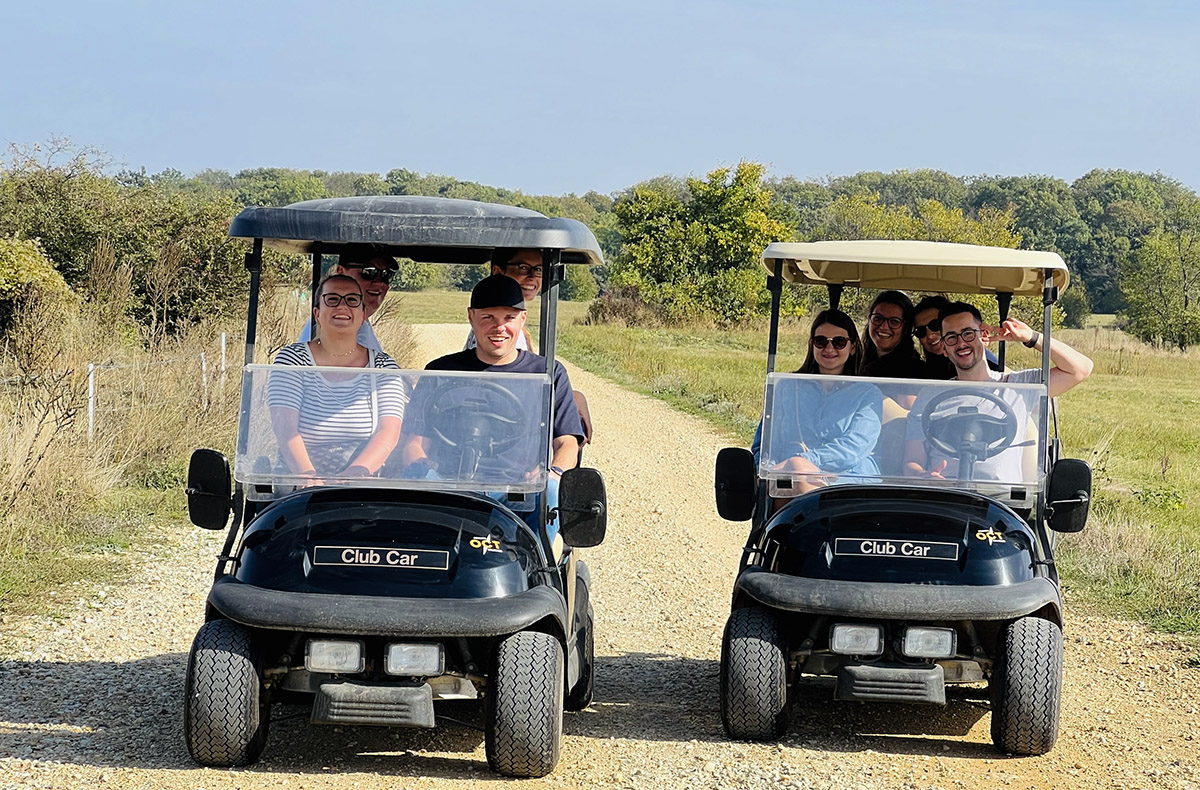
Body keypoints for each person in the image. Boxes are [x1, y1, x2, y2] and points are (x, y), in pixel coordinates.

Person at [402, 274, 585, 540]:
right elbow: (413, 441)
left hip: (520, 492)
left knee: (553, 492)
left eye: (508, 318)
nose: (499, 328)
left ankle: (539, 573)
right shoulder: (441, 371)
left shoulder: (547, 372)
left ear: (522, 320)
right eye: (488, 318)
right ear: (471, 317)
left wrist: (552, 473)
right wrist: (424, 470)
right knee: (413, 481)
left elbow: (567, 442)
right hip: (450, 487)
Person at [904, 301, 1093, 481]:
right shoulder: (930, 396)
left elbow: (1080, 369)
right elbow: (912, 460)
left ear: (984, 336)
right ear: (944, 348)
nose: (961, 343)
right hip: (948, 498)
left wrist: (1031, 338)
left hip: (1003, 502)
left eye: (968, 333)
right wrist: (924, 477)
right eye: (951, 337)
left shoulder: (1019, 386)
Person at [269, 274, 407, 482]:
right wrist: (308, 477)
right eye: (332, 299)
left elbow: (388, 432)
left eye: (352, 300)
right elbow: (285, 428)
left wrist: (355, 474)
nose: (342, 306)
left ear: (363, 314)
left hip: (361, 481)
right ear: (317, 312)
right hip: (299, 479)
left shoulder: (383, 366)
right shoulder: (292, 360)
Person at [464, 247, 594, 448]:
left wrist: (570, 396)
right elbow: (493, 396)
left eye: (539, 269)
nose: (533, 277)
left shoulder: (515, 332)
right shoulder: (494, 337)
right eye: (523, 268)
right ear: (498, 272)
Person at [750, 309, 882, 498]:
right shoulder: (787, 387)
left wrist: (799, 463)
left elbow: (854, 448)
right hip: (785, 480)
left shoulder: (868, 393)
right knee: (783, 483)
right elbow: (764, 444)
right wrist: (769, 470)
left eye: (839, 342)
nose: (829, 349)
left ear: (852, 347)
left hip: (847, 478)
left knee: (790, 476)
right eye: (821, 341)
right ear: (812, 344)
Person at [299, 245, 399, 351]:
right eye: (369, 272)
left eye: (386, 275)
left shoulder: (359, 326)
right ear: (341, 271)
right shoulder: (336, 327)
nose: (379, 283)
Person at [914, 294, 1001, 379]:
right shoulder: (925, 372)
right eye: (920, 331)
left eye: (934, 326)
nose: (930, 335)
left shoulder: (980, 358)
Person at [859, 290, 929, 379]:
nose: (883, 327)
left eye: (894, 322)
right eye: (878, 318)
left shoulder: (915, 371)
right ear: (869, 320)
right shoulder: (855, 360)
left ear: (906, 328)